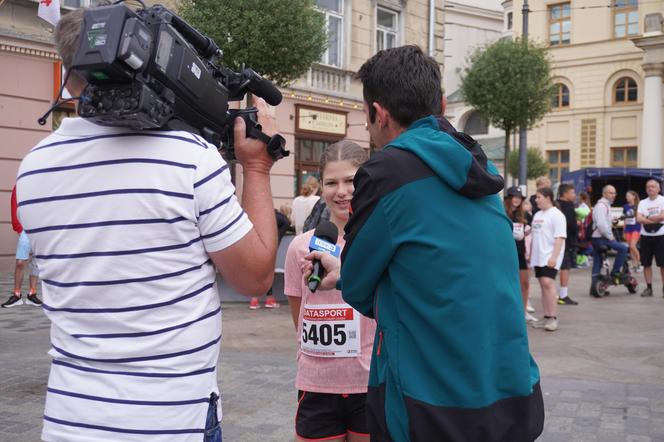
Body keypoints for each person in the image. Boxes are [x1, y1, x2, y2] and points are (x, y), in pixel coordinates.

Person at [16, 7, 280, 442]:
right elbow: (254, 278)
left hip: (70, 422)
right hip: (171, 421)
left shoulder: (35, 168)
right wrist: (257, 168)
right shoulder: (189, 159)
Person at [305, 46, 543, 441]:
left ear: (378, 114)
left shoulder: (387, 172)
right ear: (443, 104)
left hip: (429, 402)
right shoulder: (482, 166)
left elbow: (360, 286)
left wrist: (345, 275)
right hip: (510, 390)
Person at [285, 140, 374, 442]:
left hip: (369, 382)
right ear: (321, 187)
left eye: (350, 181)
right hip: (316, 384)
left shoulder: (381, 242)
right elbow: (300, 315)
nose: (341, 191)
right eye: (331, 183)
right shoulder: (300, 246)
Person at [529, 187, 567, 332]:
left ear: (548, 198)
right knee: (542, 284)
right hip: (538, 256)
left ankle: (553, 318)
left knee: (548, 283)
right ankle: (546, 316)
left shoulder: (557, 215)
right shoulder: (538, 214)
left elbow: (560, 237)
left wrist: (554, 257)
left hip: (549, 256)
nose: (536, 200)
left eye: (539, 197)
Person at [2, 185, 42, 308]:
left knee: (36, 261)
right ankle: (17, 295)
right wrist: (19, 228)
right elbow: (14, 205)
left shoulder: (42, 186)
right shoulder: (20, 185)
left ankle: (32, 294)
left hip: (39, 228)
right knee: (20, 262)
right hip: (24, 228)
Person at [248, 207, 292, 309]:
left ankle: (254, 300)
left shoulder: (255, 216)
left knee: (258, 271)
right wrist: (277, 238)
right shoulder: (275, 216)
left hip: (254, 244)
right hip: (269, 245)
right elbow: (286, 222)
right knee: (268, 272)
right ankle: (269, 299)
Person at [590, 185, 629, 297]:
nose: (613, 195)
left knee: (597, 262)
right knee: (623, 248)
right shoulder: (602, 206)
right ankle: (615, 272)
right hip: (602, 238)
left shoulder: (603, 205)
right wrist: (610, 236)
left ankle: (595, 288)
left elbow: (604, 221)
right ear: (604, 194)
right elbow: (601, 224)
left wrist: (612, 220)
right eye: (610, 193)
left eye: (614, 193)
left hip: (596, 238)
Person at [504, 186, 536, 321]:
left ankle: (523, 312)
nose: (517, 200)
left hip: (521, 252)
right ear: (509, 198)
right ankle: (508, 312)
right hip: (506, 253)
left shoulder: (523, 215)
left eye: (519, 198)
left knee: (525, 283)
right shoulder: (503, 213)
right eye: (514, 197)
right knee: (508, 284)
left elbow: (530, 232)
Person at [635, 178, 664, 297]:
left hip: (661, 236)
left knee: (663, 264)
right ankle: (649, 288)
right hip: (646, 236)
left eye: (652, 186)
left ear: (659, 188)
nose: (650, 188)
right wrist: (655, 219)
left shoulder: (662, 200)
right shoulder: (642, 202)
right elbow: (638, 219)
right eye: (648, 187)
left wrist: (646, 217)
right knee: (646, 264)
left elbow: (662, 217)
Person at [556, 183, 579, 305]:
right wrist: (577, 228)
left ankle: (552, 292)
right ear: (565, 194)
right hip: (566, 241)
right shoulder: (569, 206)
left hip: (554, 240)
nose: (574, 195)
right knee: (565, 267)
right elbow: (572, 225)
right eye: (573, 192)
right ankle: (563, 295)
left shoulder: (555, 204)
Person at [623, 190, 642, 273]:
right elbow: (625, 219)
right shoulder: (625, 206)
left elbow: (641, 218)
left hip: (636, 228)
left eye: (629, 196)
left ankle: (639, 264)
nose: (627, 197)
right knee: (630, 248)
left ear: (634, 196)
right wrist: (624, 230)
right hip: (628, 229)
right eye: (626, 196)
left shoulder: (638, 206)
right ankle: (634, 265)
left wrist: (641, 230)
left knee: (633, 246)